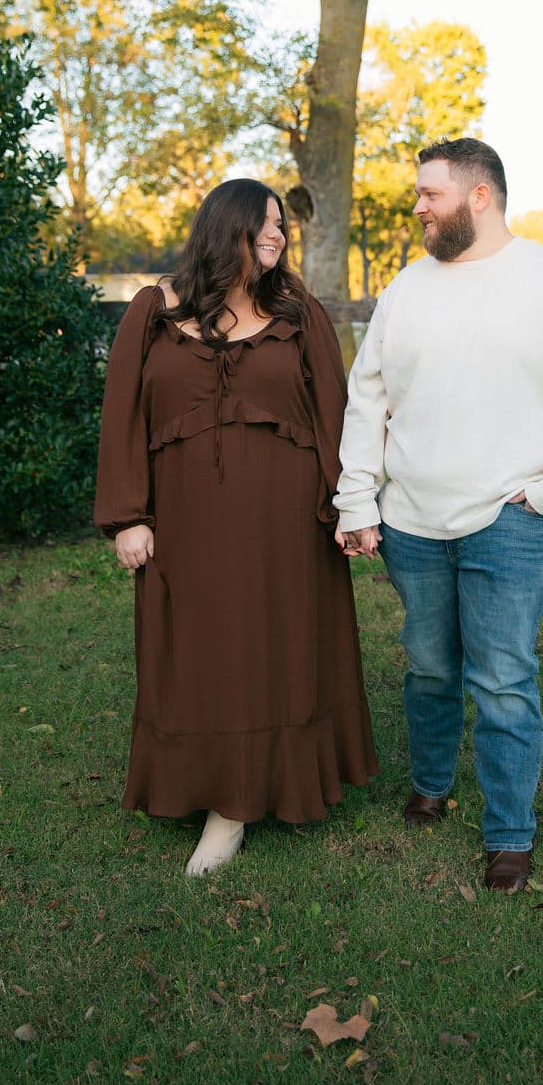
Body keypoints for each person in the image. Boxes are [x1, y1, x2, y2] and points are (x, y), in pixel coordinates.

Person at [333, 138, 543, 893]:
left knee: (501, 679)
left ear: (480, 195)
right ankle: (430, 784)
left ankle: (509, 835)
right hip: (411, 521)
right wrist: (357, 497)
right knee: (429, 665)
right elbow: (368, 398)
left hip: (514, 518)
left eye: (430, 194)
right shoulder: (406, 290)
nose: (417, 207)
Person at [94, 179, 378, 877]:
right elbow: (122, 416)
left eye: (281, 224)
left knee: (276, 647)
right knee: (196, 652)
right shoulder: (154, 310)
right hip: (186, 523)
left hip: (287, 523)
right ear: (226, 229)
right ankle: (204, 782)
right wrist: (128, 516)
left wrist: (350, 507)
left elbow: (334, 411)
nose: (278, 234)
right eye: (264, 223)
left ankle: (241, 807)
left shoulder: (297, 311)